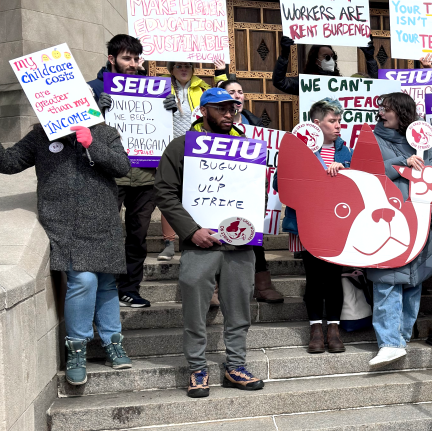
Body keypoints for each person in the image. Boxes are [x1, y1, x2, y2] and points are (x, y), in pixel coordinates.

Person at [1, 122, 133, 386]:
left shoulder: (104, 132)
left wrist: (91, 144)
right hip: (64, 224)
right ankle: (77, 349)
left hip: (102, 222)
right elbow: (10, 163)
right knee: (83, 280)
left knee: (106, 282)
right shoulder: (42, 133)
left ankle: (113, 343)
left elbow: (123, 167)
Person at [154, 87, 265, 397]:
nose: (229, 113)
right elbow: (164, 191)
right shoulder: (181, 147)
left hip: (239, 245)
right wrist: (190, 231)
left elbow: (256, 193)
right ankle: (197, 368)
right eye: (220, 109)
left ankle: (236, 366)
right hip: (200, 243)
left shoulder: (248, 148)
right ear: (203, 112)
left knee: (239, 307)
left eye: (232, 108)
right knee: (194, 308)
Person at [89, 34, 177, 308]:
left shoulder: (154, 89)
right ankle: (102, 292)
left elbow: (158, 129)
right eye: (126, 58)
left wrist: (170, 110)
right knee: (104, 234)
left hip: (146, 175)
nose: (133, 63)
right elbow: (78, 129)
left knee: (137, 238)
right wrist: (95, 111)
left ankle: (130, 289)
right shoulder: (92, 88)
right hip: (109, 175)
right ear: (111, 59)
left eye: (136, 58)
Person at [367, 93, 432, 366]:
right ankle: (389, 341)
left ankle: (401, 338)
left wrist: (429, 213)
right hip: (386, 221)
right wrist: (401, 166)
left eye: (387, 109)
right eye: (381, 108)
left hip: (418, 220)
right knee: (387, 279)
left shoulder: (424, 142)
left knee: (413, 280)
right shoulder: (371, 139)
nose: (381, 113)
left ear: (402, 112)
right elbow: (365, 172)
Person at [279, 98, 351, 353]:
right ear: (316, 124)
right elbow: (280, 184)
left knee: (333, 277)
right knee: (314, 278)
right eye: (332, 121)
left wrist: (344, 171)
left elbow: (357, 183)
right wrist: (301, 164)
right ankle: (315, 329)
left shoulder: (345, 150)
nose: (338, 125)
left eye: (340, 120)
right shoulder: (299, 149)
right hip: (305, 223)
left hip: (335, 224)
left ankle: (333, 328)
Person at [218, 79, 284, 305]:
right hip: (216, 190)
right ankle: (214, 287)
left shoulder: (256, 126)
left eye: (240, 92)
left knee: (253, 237)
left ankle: (263, 285)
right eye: (231, 93)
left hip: (245, 191)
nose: (237, 96)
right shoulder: (205, 128)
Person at [159, 60, 212, 262]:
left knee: (194, 194)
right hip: (170, 148)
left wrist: (223, 73)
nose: (183, 69)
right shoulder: (160, 88)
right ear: (171, 69)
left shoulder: (204, 89)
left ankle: (195, 236)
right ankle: (168, 243)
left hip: (196, 149)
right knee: (169, 193)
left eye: (188, 66)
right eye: (179, 65)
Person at [272, 37, 349, 95]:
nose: (331, 60)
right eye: (327, 57)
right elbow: (280, 82)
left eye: (333, 57)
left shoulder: (342, 84)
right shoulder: (306, 83)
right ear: (315, 60)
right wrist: (285, 54)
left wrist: (361, 51)